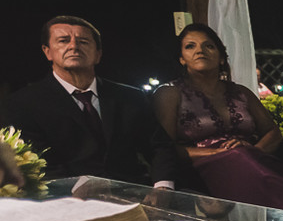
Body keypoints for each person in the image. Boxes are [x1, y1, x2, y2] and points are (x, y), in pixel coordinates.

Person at [152, 24, 283, 220]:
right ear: (181, 58)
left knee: (261, 164)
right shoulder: (170, 94)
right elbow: (166, 148)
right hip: (202, 168)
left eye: (208, 46)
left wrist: (253, 151)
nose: (200, 51)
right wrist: (217, 153)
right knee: (241, 159)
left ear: (221, 57)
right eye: (190, 46)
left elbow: (273, 132)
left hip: (249, 161)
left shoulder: (241, 92)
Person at [7, 15, 176, 187]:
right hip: (67, 198)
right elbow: (39, 163)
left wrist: (163, 186)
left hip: (134, 192)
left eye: (83, 42)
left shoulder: (130, 97)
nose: (74, 46)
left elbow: (159, 146)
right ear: (47, 51)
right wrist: (74, 192)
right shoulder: (24, 103)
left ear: (98, 54)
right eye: (63, 41)